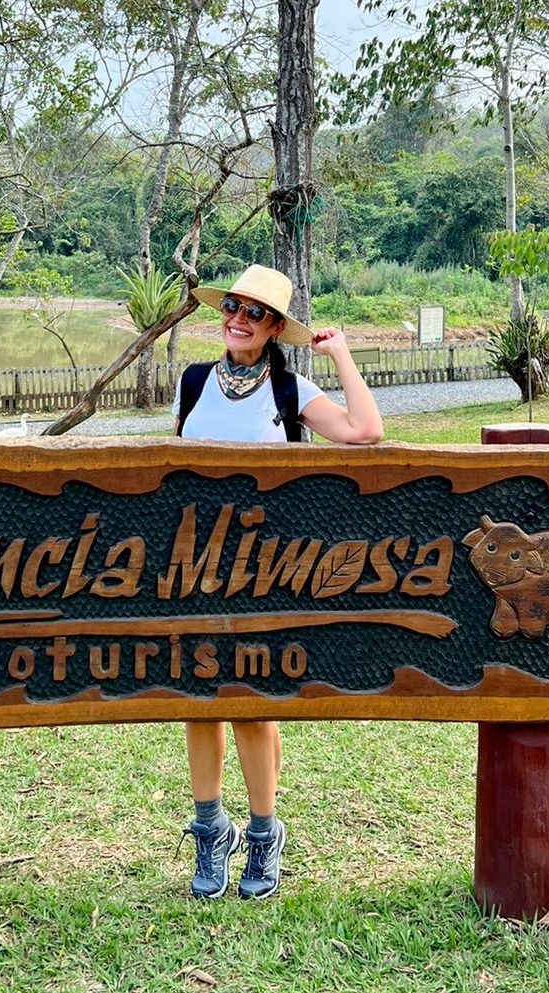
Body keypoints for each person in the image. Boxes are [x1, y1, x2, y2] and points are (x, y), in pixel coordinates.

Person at [172, 264, 384, 900]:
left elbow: (366, 432)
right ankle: (210, 832)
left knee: (253, 708)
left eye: (254, 313)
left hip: (267, 568)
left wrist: (344, 354)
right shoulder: (192, 381)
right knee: (197, 702)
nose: (238, 319)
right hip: (194, 568)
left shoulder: (291, 391)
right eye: (232, 306)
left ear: (274, 329)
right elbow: (173, 467)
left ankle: (264, 839)